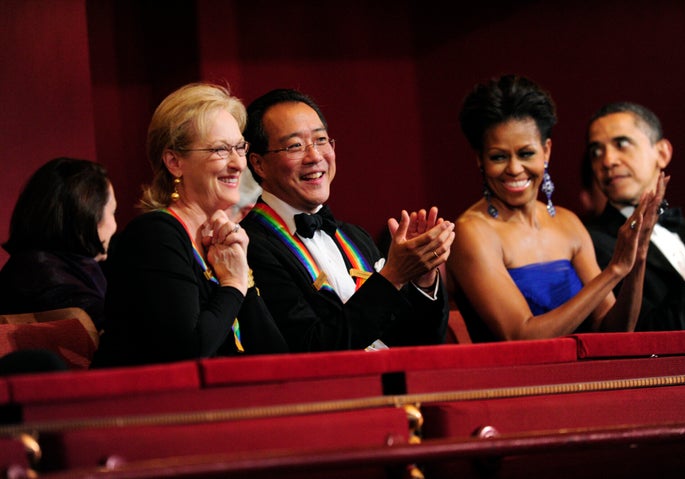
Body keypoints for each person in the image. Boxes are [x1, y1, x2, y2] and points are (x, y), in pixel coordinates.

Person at [447, 74, 664, 342]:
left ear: (546, 151)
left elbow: (615, 332)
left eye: (526, 154)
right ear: (480, 159)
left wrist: (637, 258)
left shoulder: (567, 222)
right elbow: (521, 336)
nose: (514, 169)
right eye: (499, 157)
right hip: (520, 382)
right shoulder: (472, 232)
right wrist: (614, 271)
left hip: (588, 381)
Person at [240, 88, 455, 352]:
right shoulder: (249, 245)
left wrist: (422, 277)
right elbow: (311, 349)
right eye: (295, 146)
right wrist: (392, 277)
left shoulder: (355, 237)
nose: (315, 156)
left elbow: (419, 345)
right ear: (259, 164)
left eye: (321, 140)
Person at [92, 82, 288, 368]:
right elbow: (189, 352)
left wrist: (242, 274)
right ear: (174, 161)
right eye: (221, 149)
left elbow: (278, 357)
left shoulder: (224, 239)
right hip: (151, 408)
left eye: (239, 148)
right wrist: (233, 283)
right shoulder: (154, 236)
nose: (238, 164)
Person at [584, 101, 685, 330]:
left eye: (622, 144)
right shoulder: (590, 245)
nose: (607, 161)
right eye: (596, 152)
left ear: (662, 153)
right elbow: (657, 333)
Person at [0, 157, 117, 331]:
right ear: (88, 217)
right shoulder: (43, 275)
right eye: (113, 212)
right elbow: (120, 332)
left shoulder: (44, 265)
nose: (115, 225)